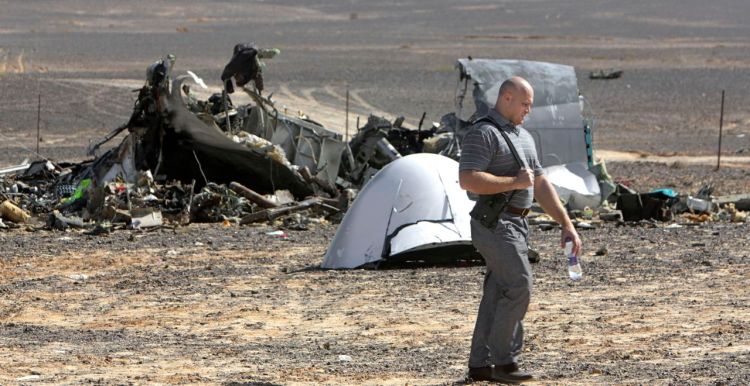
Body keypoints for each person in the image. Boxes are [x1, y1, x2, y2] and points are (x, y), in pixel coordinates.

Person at [458, 76, 582, 383]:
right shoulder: (483, 132)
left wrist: (566, 224)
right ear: (507, 98)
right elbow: (468, 179)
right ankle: (505, 363)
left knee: (498, 291)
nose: (529, 109)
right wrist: (514, 182)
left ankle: (480, 365)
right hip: (495, 223)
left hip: (518, 223)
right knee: (519, 287)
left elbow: (540, 183)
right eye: (525, 103)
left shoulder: (523, 136)